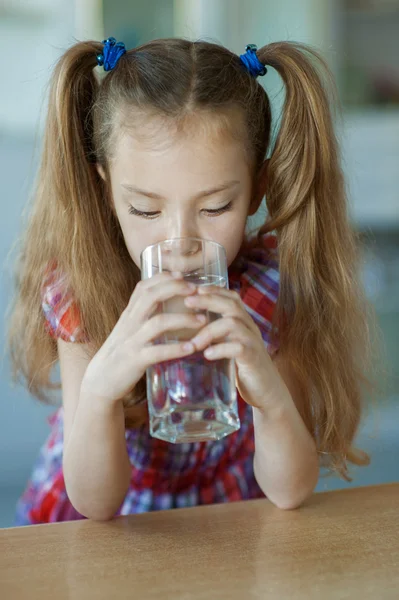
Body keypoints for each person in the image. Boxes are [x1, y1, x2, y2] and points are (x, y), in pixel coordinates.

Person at [9, 36, 375, 525]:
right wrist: (100, 392)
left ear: (256, 189)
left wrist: (269, 394)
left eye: (216, 206)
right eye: (144, 209)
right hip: (116, 532)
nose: (181, 241)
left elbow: (290, 491)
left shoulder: (269, 291)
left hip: (230, 519)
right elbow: (95, 505)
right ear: (106, 194)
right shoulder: (85, 291)